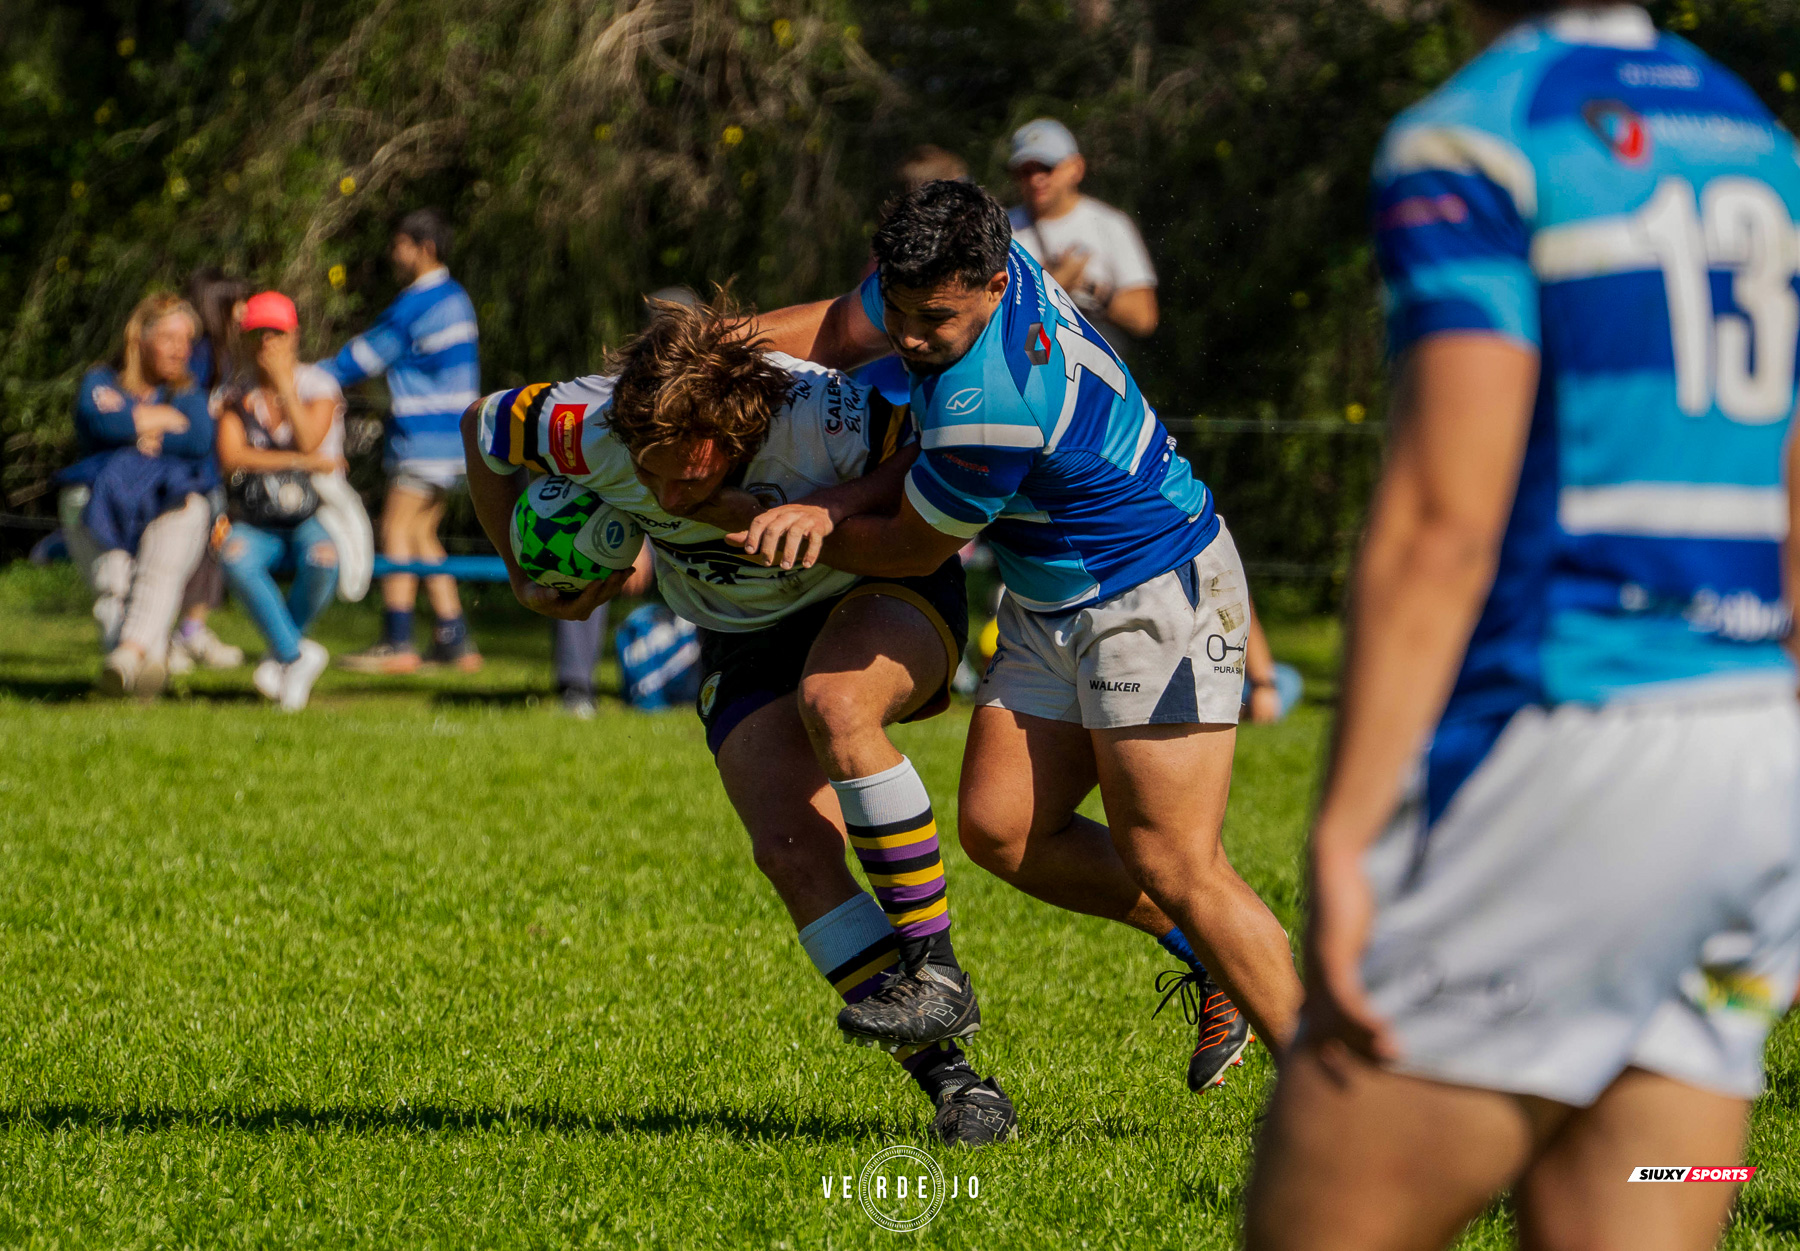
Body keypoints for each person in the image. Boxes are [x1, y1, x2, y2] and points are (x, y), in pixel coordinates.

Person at [1244, 5, 1800, 1249]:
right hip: (1753, 775)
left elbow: (1445, 516)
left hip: (1569, 761)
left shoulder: (1478, 137)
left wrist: (1342, 837)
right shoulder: (1758, 138)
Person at [741, 179, 1303, 1093]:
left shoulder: (990, 401)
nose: (913, 337)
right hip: (1053, 597)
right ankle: (1210, 951)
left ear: (997, 285)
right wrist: (707, 349)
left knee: (1173, 857)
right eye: (902, 308)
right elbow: (841, 328)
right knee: (1003, 829)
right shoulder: (984, 257)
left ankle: (1334, 1099)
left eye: (936, 319)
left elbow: (910, 546)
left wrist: (775, 521)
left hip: (1151, 592)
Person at [461, 293, 1016, 1146]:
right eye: (640, 470)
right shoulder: (585, 423)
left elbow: (927, 456)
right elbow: (482, 426)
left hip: (877, 582)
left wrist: (824, 507)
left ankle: (934, 964)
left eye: (679, 472)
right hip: (743, 625)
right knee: (787, 849)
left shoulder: (823, 414)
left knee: (835, 700)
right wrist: (522, 576)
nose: (656, 493)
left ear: (729, 435)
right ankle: (957, 1086)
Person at [323, 208, 482, 674]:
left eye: (400, 245)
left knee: (394, 530)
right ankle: (455, 641)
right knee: (422, 535)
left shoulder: (420, 303)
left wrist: (308, 378)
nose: (394, 255)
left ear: (424, 248)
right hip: (454, 440)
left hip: (423, 438)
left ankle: (397, 643)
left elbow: (363, 358)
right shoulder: (458, 298)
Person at [60, 293, 218, 697]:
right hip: (99, 498)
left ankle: (126, 657)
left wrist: (129, 422)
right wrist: (162, 421)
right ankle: (144, 668)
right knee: (113, 583)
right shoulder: (100, 379)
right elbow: (98, 423)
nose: (181, 348)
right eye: (169, 337)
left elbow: (200, 438)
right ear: (140, 339)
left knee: (160, 569)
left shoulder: (188, 390)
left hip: (168, 498)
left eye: (187, 340)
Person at [215, 292, 348, 711]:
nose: (266, 343)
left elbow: (312, 435)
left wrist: (284, 386)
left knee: (323, 559)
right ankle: (297, 654)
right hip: (257, 518)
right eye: (258, 334)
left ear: (294, 335)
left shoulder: (318, 384)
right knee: (235, 557)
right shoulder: (234, 392)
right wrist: (298, 460)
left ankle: (280, 658)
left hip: (313, 514)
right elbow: (232, 456)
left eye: (276, 333)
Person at [1006, 118, 1158, 354]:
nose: (1036, 179)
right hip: (1031, 357)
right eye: (1025, 171)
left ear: (1075, 168)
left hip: (1095, 360)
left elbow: (1144, 319)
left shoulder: (1110, 224)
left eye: (1047, 167)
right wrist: (1057, 282)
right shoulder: (1002, 229)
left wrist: (1088, 288)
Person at [165, 266, 251, 676]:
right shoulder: (198, 354)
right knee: (187, 554)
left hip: (210, 473)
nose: (245, 310)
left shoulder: (220, 353)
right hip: (191, 472)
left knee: (209, 550)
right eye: (238, 301)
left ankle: (191, 630)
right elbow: (189, 412)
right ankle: (175, 635)